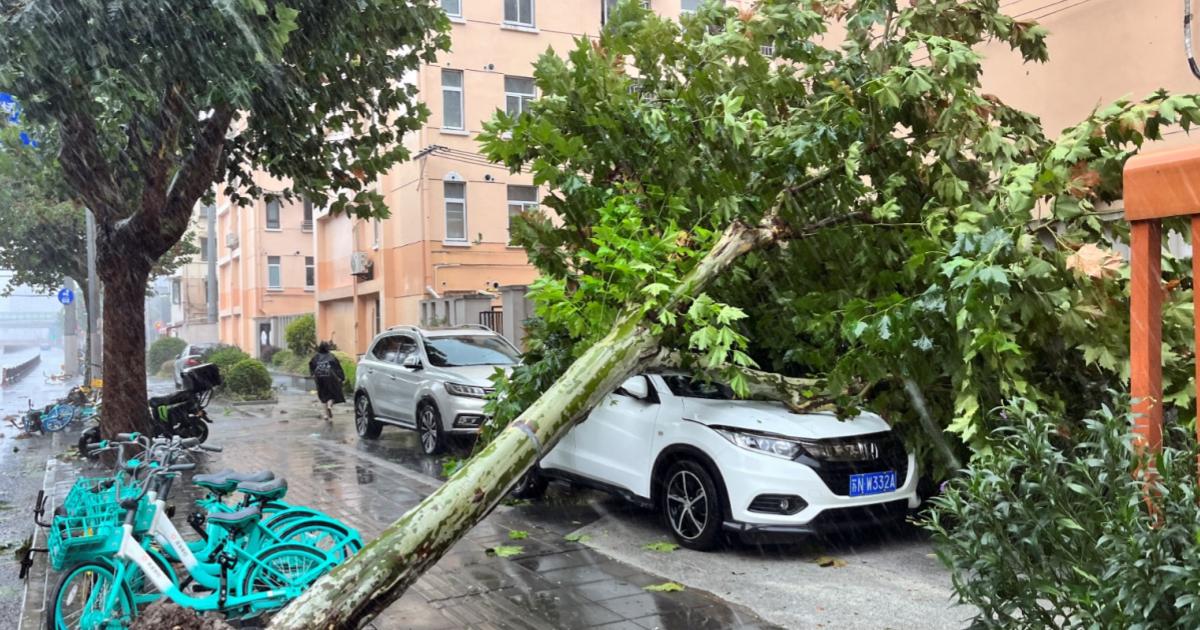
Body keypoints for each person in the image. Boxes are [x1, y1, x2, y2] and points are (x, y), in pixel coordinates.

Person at [309, 342, 345, 421]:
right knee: (333, 394)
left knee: (323, 396)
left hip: (319, 378)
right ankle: (330, 406)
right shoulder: (331, 356)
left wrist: (312, 374)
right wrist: (341, 377)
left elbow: (311, 365)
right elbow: (337, 367)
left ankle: (326, 415)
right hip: (330, 377)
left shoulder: (316, 357)